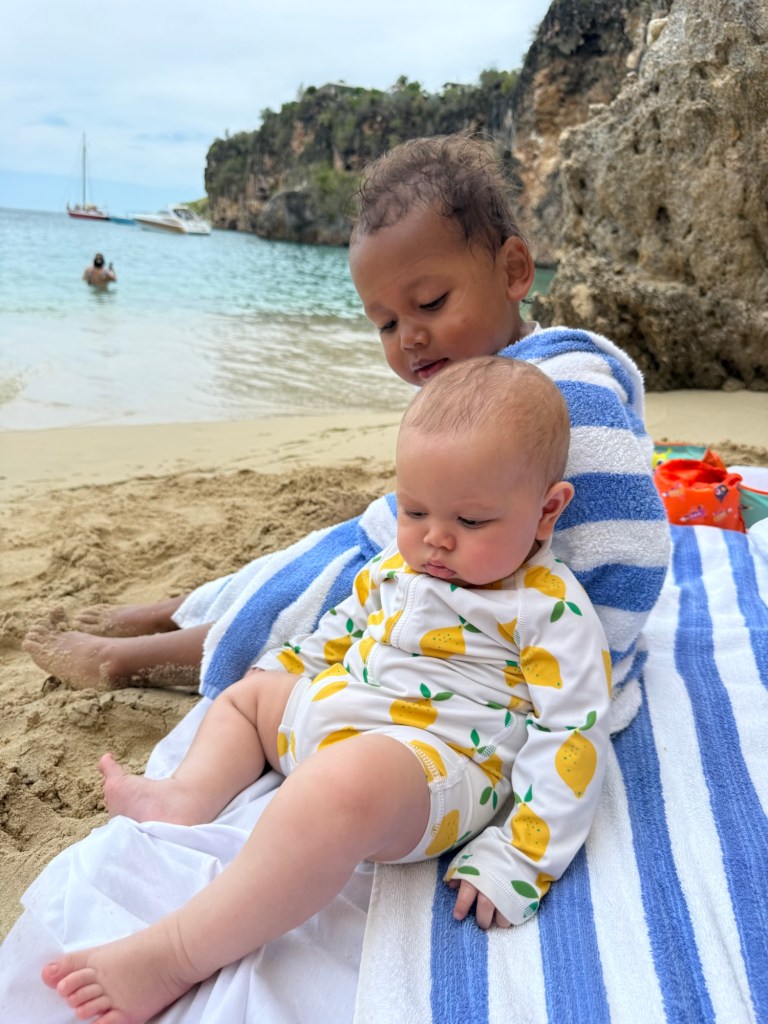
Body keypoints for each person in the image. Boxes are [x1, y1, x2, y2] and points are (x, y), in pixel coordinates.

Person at [24, 133, 669, 726]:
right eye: (385, 324)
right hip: (439, 541)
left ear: (513, 271)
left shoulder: (568, 391)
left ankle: (137, 659)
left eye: (431, 304)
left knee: (329, 594)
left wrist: (591, 658)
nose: (409, 337)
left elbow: (622, 541)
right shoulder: (490, 375)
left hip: (492, 619)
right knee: (315, 551)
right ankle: (175, 609)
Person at [41, 357, 612, 1023]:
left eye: (473, 522)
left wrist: (518, 856)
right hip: (339, 709)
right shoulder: (397, 565)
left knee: (337, 790)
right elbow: (344, 628)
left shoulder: (549, 608)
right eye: (415, 509)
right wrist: (292, 670)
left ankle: (174, 952)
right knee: (247, 696)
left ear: (546, 512)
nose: (435, 539)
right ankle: (187, 797)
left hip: (433, 761)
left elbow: (572, 734)